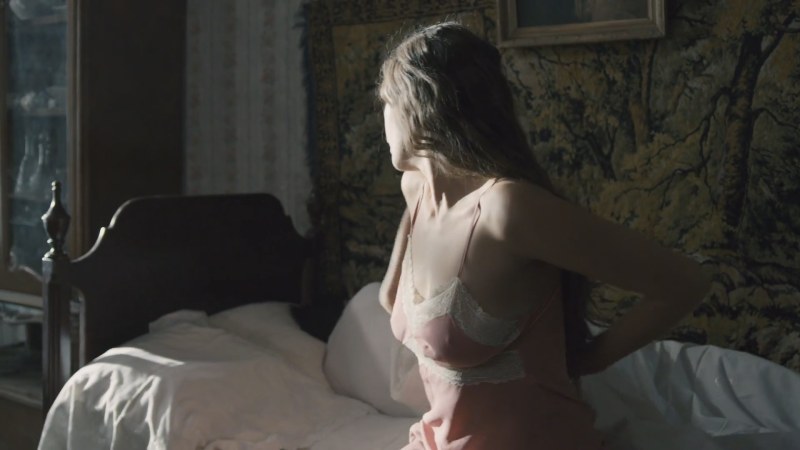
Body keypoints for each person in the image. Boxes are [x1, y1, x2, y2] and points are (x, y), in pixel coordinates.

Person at [377, 21, 711, 450]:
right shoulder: (418, 192)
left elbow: (685, 282)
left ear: (419, 105)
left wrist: (590, 360)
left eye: (386, 100)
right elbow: (392, 298)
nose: (382, 116)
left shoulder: (507, 209)